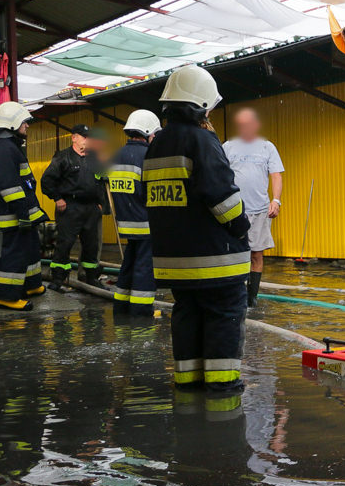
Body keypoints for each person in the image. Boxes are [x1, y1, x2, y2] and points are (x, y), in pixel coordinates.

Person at [143, 65, 250, 393]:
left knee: (187, 316)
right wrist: (240, 226)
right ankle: (222, 391)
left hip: (174, 261)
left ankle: (188, 383)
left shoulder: (157, 145)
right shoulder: (202, 139)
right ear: (201, 106)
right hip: (214, 260)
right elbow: (220, 194)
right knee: (223, 317)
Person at [0, 102, 49, 311]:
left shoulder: (8, 147)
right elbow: (9, 187)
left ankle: (32, 285)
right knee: (15, 253)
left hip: (22, 212)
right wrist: (23, 215)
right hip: (15, 214)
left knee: (30, 248)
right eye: (24, 122)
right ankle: (6, 296)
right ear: (13, 124)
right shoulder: (5, 149)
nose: (27, 126)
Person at [222, 108, 284, 307]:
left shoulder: (267, 147)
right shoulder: (228, 147)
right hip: (234, 210)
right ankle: (235, 294)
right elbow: (219, 174)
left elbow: (276, 174)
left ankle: (252, 298)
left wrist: (276, 200)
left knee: (256, 253)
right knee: (234, 254)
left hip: (260, 210)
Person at [41, 124, 107, 290]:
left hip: (91, 208)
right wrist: (57, 199)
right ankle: (58, 280)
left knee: (91, 245)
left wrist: (101, 204)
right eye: (84, 136)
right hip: (70, 207)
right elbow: (47, 181)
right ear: (74, 138)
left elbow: (101, 182)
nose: (88, 140)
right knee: (65, 244)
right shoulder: (63, 157)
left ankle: (91, 278)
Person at [109, 109, 161, 317]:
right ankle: (141, 309)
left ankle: (121, 304)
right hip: (146, 222)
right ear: (147, 132)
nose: (154, 138)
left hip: (126, 222)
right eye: (154, 134)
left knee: (129, 263)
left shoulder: (116, 156)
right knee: (144, 267)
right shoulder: (147, 156)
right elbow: (153, 193)